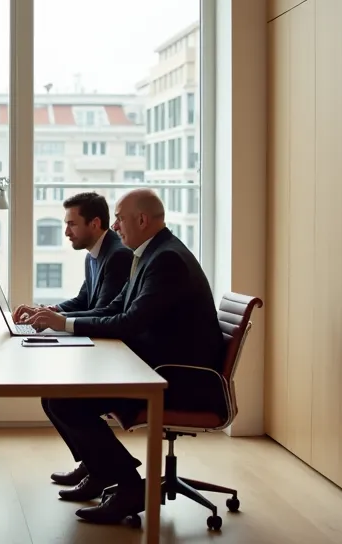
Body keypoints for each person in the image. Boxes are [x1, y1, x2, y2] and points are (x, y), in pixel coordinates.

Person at [18, 189, 224, 524]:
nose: (114, 226)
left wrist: (65, 323)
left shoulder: (166, 260)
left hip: (177, 378)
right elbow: (117, 307)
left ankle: (128, 485)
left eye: (119, 218)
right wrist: (61, 320)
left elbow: (129, 323)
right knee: (58, 395)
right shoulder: (150, 253)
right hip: (154, 365)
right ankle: (105, 472)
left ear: (141, 220)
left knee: (64, 399)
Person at [12, 192, 133, 325]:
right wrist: (50, 310)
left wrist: (54, 319)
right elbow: (83, 300)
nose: (66, 232)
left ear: (95, 224)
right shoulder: (92, 255)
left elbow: (103, 312)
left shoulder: (118, 256)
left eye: (72, 224)